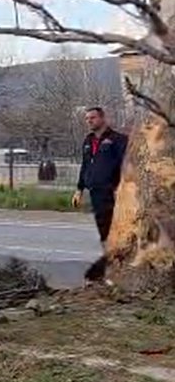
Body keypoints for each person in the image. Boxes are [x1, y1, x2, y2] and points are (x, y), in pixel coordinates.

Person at [72, 107, 127, 280]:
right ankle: (111, 265)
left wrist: (122, 188)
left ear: (103, 118)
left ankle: (120, 265)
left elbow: (126, 166)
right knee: (104, 229)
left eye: (93, 118)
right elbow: (85, 166)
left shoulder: (117, 140)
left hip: (113, 192)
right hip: (96, 193)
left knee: (116, 229)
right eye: (87, 118)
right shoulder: (88, 141)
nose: (89, 121)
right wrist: (79, 189)